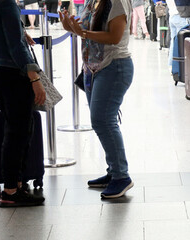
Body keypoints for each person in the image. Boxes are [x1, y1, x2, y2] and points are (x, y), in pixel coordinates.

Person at [59, 0, 135, 198]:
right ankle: (113, 171)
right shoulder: (93, 1)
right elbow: (85, 28)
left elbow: (114, 37)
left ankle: (121, 176)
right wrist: (72, 27)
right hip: (93, 68)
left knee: (103, 121)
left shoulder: (116, 2)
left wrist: (82, 33)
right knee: (101, 121)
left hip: (114, 66)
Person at [0, 0, 47, 207]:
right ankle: (11, 190)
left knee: (16, 126)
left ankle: (17, 184)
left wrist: (20, 31)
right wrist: (35, 78)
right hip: (12, 72)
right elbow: (15, 46)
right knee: (18, 130)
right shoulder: (6, 4)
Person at [165, 0, 189, 82]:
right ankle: (180, 68)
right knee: (181, 43)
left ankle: (172, 65)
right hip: (180, 16)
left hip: (172, 15)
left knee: (174, 42)